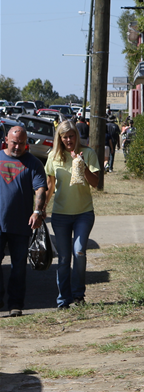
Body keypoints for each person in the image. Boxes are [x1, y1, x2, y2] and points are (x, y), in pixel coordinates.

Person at [45, 120, 99, 309]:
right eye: (65, 136)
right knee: (63, 259)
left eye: (72, 135)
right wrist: (41, 208)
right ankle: (63, 299)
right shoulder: (53, 156)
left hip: (83, 213)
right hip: (60, 215)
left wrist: (82, 165)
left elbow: (95, 183)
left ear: (76, 136)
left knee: (79, 252)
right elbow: (50, 186)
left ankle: (78, 295)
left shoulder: (89, 153)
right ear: (60, 138)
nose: (69, 139)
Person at [0, 126, 48, 317]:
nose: (17, 147)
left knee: (18, 267)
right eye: (14, 142)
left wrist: (37, 211)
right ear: (6, 139)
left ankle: (15, 303)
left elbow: (41, 190)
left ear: (26, 142)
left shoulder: (33, 163)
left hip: (21, 225)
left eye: (21, 143)